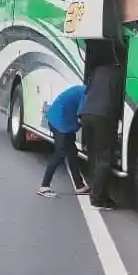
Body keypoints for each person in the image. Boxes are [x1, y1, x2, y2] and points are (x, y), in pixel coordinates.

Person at [79, 62, 124, 210]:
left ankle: (97, 191)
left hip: (86, 113)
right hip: (103, 116)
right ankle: (98, 199)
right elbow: (119, 100)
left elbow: (88, 91)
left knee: (93, 156)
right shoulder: (121, 75)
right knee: (104, 158)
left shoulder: (99, 69)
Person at [37, 84, 89, 198]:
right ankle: (44, 186)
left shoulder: (84, 90)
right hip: (59, 120)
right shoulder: (87, 94)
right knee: (60, 152)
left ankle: (80, 186)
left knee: (72, 153)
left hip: (62, 118)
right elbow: (82, 117)